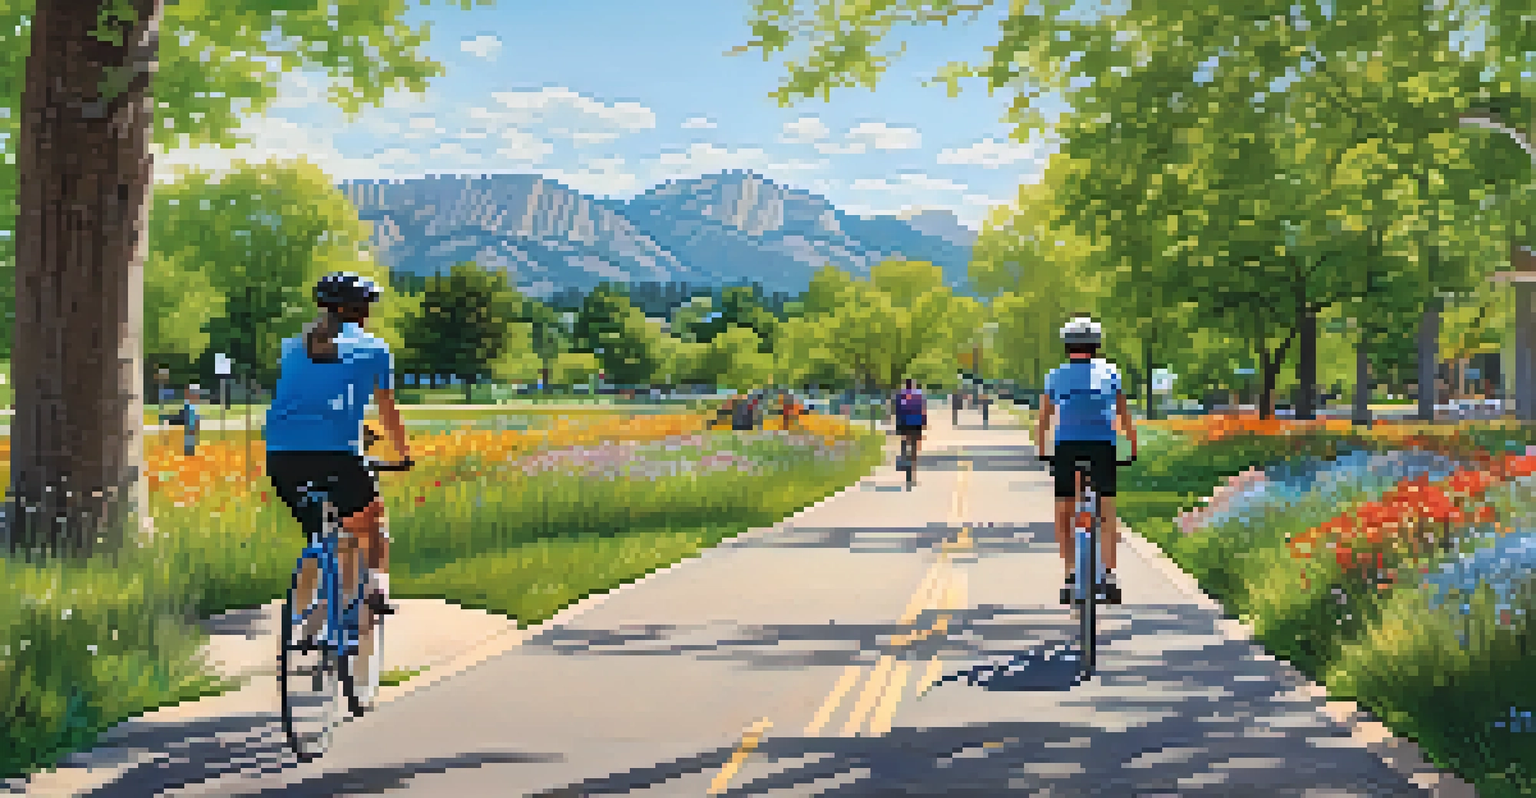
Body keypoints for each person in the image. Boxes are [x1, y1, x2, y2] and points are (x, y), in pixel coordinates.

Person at [265, 271, 413, 619]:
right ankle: (376, 589)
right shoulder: (375, 349)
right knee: (372, 522)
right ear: (362, 312)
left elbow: (310, 399)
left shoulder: (292, 346)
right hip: (337, 455)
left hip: (281, 456)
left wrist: (354, 429)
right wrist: (403, 455)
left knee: (324, 533)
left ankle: (312, 616)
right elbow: (388, 410)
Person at [1037, 316, 1138, 606]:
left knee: (1064, 511)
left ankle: (1070, 574)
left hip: (1066, 446)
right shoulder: (1111, 372)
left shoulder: (1055, 376)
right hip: (1102, 446)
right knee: (1106, 509)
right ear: (1097, 346)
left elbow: (1044, 418)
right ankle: (1108, 574)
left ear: (1067, 347)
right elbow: (1123, 415)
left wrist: (1043, 450)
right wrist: (1132, 446)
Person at [894, 378, 927, 467]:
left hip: (904, 421)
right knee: (914, 440)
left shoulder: (901, 395)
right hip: (916, 420)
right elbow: (923, 409)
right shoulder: (919, 394)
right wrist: (924, 422)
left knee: (904, 438)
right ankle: (913, 457)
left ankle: (904, 455)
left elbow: (897, 409)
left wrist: (897, 422)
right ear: (913, 386)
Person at [182, 385, 201, 457]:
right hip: (190, 422)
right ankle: (188, 450)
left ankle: (190, 450)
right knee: (189, 434)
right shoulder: (188, 404)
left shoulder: (193, 404)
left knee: (191, 435)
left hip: (191, 421)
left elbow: (195, 416)